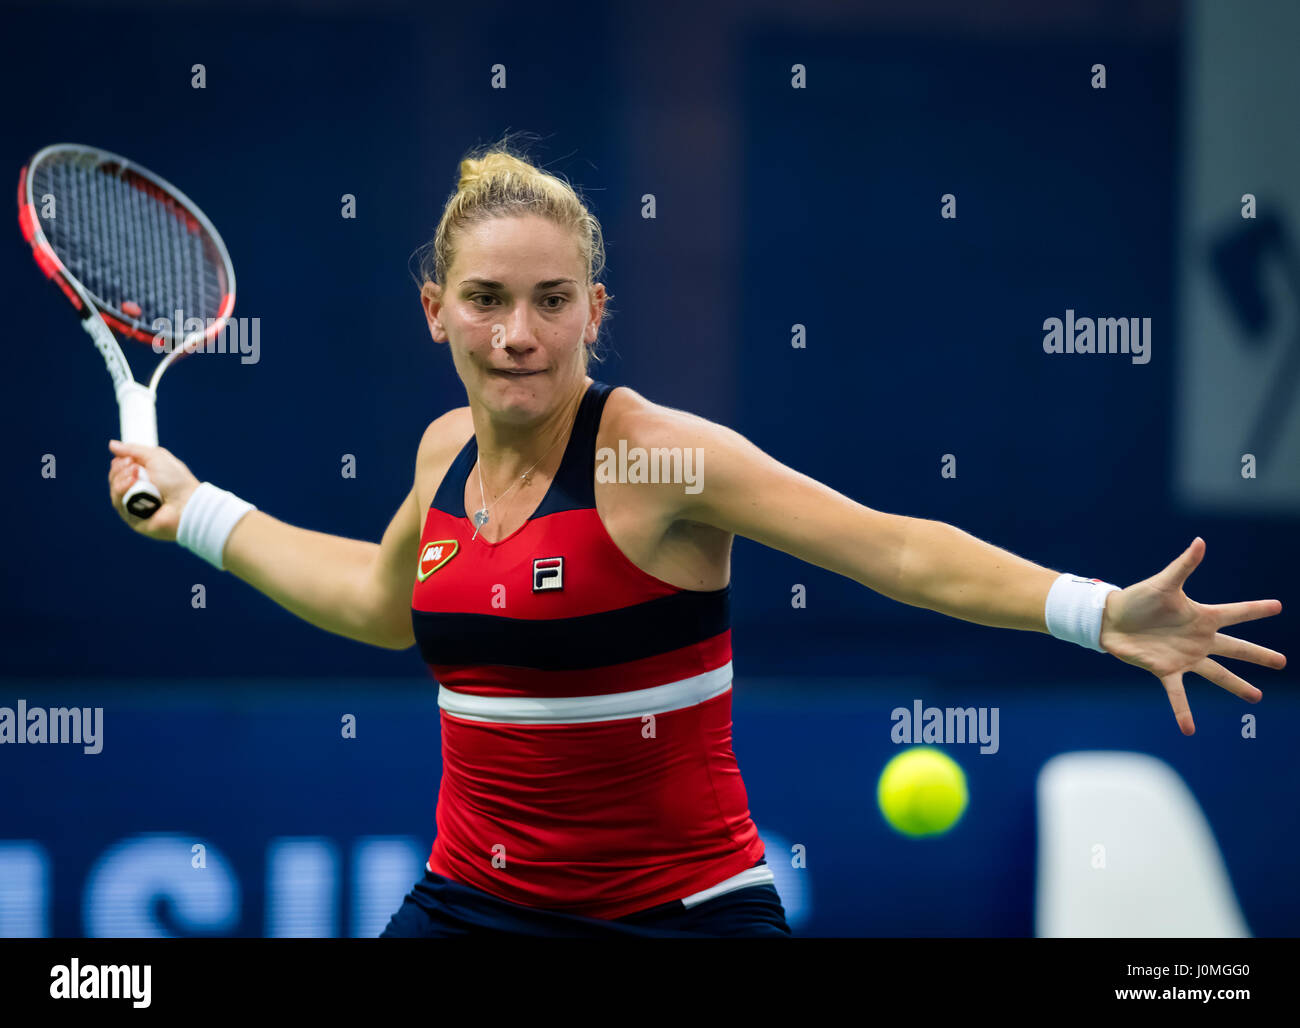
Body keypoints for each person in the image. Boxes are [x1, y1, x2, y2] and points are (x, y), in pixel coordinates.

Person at [107, 139, 1287, 938]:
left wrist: (1094, 608)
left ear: (594, 311)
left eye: (553, 300)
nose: (520, 332)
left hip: (679, 914)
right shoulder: (439, 456)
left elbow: (891, 546)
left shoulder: (660, 461)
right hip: (470, 904)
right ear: (436, 310)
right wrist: (200, 510)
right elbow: (375, 599)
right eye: (486, 299)